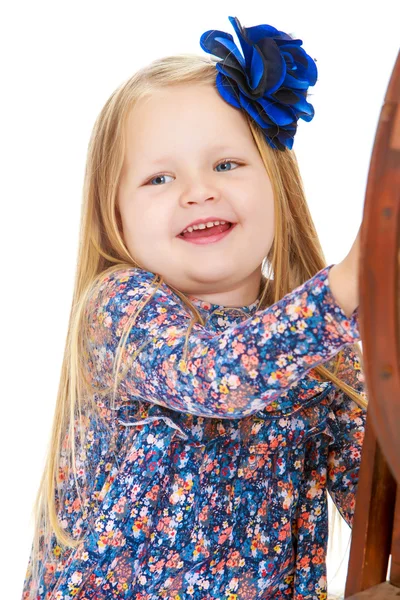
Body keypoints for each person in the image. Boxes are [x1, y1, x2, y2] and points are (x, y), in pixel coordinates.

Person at [22, 16, 367, 600]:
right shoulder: (121, 312)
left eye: (226, 164)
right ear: (115, 217)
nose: (198, 191)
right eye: (159, 177)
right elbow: (219, 375)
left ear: (276, 183)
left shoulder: (323, 355)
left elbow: (374, 499)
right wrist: (353, 283)